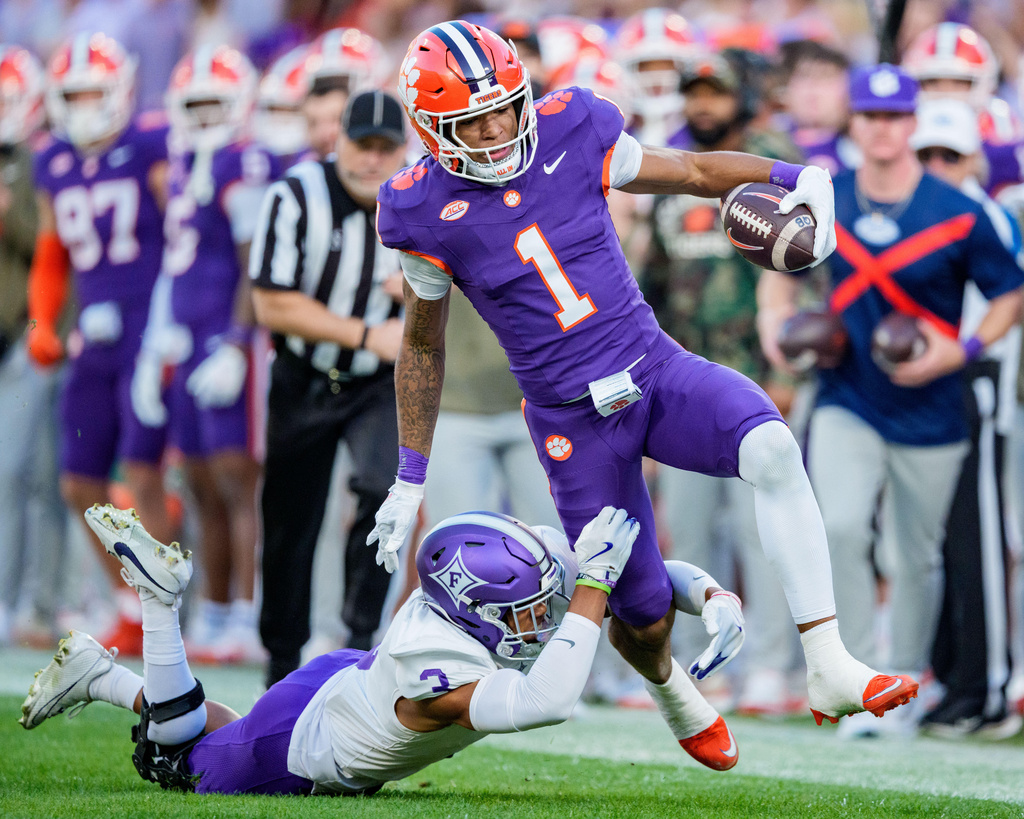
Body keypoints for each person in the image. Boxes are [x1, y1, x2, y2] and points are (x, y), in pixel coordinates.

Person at [370, 19, 918, 739]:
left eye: (508, 103)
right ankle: (671, 690)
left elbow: (690, 172)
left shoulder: (573, 127)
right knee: (641, 610)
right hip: (571, 420)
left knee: (775, 450)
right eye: (475, 120)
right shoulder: (419, 209)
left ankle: (829, 661)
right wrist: (411, 474)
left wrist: (791, 176)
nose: (500, 126)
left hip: (654, 369)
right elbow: (421, 345)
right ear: (434, 129)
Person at [20, 502, 746, 793]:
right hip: (309, 742)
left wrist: (708, 592)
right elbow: (547, 698)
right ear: (478, 604)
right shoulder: (436, 677)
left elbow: (631, 573)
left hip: (338, 688)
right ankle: (156, 605)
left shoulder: (486, 587)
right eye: (527, 611)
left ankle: (100, 675)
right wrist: (592, 584)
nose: (540, 619)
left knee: (222, 730)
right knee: (171, 761)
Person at [757, 65, 1024, 738]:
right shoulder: (827, 196)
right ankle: (861, 675)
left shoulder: (959, 208)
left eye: (896, 116)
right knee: (841, 526)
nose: (883, 128)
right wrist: (776, 330)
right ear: (855, 123)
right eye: (871, 116)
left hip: (933, 405)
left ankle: (905, 677)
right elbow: (775, 267)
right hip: (848, 394)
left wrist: (959, 350)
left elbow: (1009, 293)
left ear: (913, 123)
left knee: (915, 556)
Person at [644, 48, 806, 716]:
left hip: (757, 378)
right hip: (684, 382)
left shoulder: (770, 165)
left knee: (761, 529)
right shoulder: (673, 168)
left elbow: (804, 271)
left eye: (715, 92)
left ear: (743, 97)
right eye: (694, 93)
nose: (702, 104)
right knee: (687, 526)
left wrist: (787, 368)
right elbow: (649, 284)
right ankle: (698, 669)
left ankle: (771, 665)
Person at [249, 89, 407, 687]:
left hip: (377, 386)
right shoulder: (294, 196)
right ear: (337, 140)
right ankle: (281, 661)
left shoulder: (421, 198)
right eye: (360, 145)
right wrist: (367, 333)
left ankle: (361, 640)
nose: (371, 160)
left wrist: (422, 294)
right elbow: (271, 303)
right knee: (291, 520)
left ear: (402, 149)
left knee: (383, 491)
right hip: (304, 377)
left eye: (384, 148)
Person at [26, 32, 174, 655]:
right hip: (96, 332)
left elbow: (184, 236)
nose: (85, 104)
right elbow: (53, 248)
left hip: (151, 322)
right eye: (75, 93)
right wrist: (42, 319)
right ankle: (126, 599)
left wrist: (180, 327)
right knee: (79, 480)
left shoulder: (150, 146)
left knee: (142, 472)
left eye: (95, 91)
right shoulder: (51, 160)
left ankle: (165, 605)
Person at [131, 45, 277, 663]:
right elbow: (174, 263)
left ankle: (249, 610)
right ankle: (216, 612)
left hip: (225, 340)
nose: (207, 114)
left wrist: (240, 344)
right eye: (197, 104)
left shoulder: (245, 163)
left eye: (216, 102)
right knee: (197, 480)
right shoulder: (186, 161)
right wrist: (155, 340)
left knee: (237, 481)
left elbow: (254, 263)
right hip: (186, 341)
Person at [908, 98, 1023, 740]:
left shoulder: (983, 215)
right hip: (925, 388)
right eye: (927, 154)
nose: (936, 166)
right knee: (941, 540)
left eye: (948, 155)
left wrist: (972, 353)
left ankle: (990, 692)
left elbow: (1010, 299)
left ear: (975, 158)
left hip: (977, 384)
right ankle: (955, 680)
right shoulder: (917, 212)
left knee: (978, 540)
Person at [0, 44, 67, 647]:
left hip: (35, 335)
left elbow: (48, 244)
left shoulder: (43, 160)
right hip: (14, 337)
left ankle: (36, 603)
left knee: (37, 476)